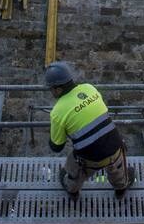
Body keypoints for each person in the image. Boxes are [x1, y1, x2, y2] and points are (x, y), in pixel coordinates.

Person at [45, 61, 133, 197]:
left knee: (73, 166)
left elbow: (57, 147)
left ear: (57, 89)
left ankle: (72, 189)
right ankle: (121, 188)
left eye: (51, 88)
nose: (51, 91)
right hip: (115, 148)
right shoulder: (89, 88)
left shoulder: (57, 112)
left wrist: (54, 138)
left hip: (91, 160)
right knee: (118, 171)